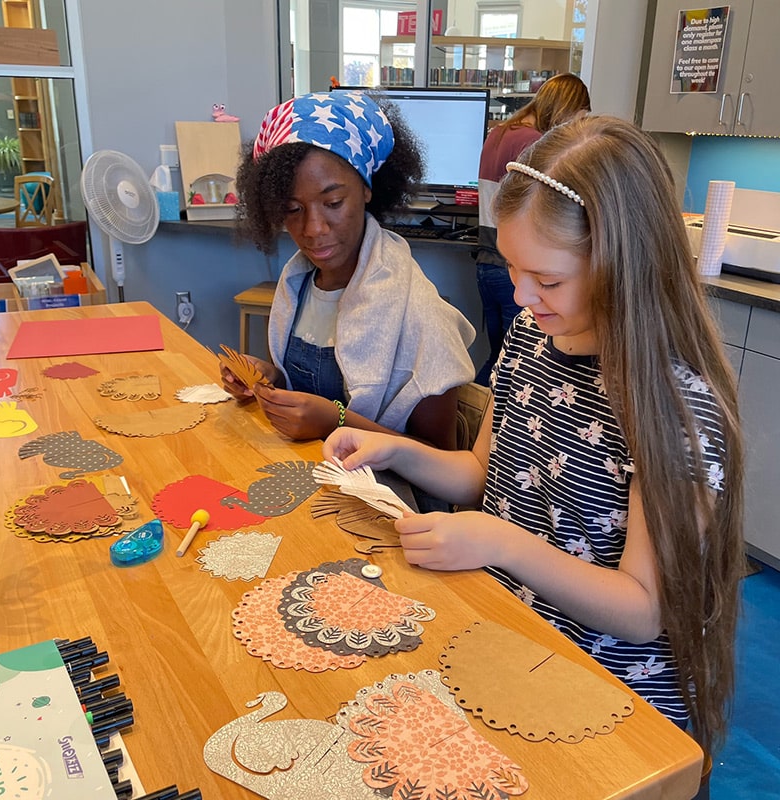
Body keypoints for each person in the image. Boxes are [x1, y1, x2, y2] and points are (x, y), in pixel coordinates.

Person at [324, 115, 744, 764]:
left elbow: (642, 610)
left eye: (547, 280)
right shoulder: (532, 336)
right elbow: (482, 472)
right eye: (512, 268)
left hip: (613, 708)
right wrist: (396, 450)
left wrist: (501, 543)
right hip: (515, 649)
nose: (522, 297)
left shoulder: (675, 406)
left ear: (623, 269)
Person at [224, 91, 475, 448]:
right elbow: (306, 391)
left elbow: (442, 459)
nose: (314, 229)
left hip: (376, 484)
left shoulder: (422, 316)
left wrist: (336, 421)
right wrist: (269, 379)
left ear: (367, 188)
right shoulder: (298, 283)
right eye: (293, 209)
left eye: (333, 202)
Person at [475, 73, 590, 385]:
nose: (522, 297)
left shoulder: (498, 134)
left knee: (498, 357)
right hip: (503, 261)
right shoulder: (535, 145)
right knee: (508, 365)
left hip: (487, 258)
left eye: (550, 282)